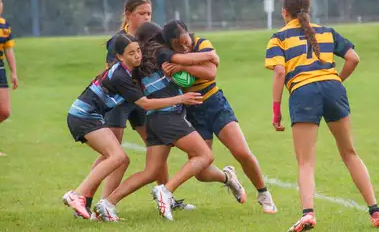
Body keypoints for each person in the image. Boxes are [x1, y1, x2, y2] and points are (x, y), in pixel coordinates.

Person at [264, 0, 379, 231]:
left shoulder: (278, 37)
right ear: (308, 10)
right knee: (349, 153)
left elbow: (280, 72)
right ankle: (376, 212)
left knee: (306, 161)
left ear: (284, 12)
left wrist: (276, 110)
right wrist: (337, 81)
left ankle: (308, 214)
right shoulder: (326, 32)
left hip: (303, 92)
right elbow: (353, 58)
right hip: (333, 89)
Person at [94, 22, 245, 222]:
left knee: (151, 171)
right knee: (204, 155)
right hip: (168, 116)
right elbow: (182, 58)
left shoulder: (139, 62)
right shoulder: (158, 52)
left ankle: (108, 203)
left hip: (153, 119)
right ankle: (166, 190)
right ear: (154, 38)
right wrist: (211, 55)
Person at [63, 34, 202, 219]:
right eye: (131, 53)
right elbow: (145, 103)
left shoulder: (126, 72)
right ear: (120, 56)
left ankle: (102, 205)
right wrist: (181, 98)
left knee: (120, 159)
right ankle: (77, 195)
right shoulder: (121, 76)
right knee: (117, 156)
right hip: (84, 116)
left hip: (87, 115)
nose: (137, 56)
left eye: (138, 51)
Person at [161, 19, 277, 213]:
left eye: (185, 42)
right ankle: (228, 177)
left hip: (215, 104)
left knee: (241, 152)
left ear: (189, 34)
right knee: (201, 170)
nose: (184, 47)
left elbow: (210, 72)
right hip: (193, 111)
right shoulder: (167, 56)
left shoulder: (202, 44)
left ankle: (264, 194)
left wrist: (182, 66)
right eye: (178, 46)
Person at [0, 0, 19, 156]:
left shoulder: (4, 25)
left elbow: (8, 50)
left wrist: (13, 72)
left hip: (0, 69)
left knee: (4, 111)